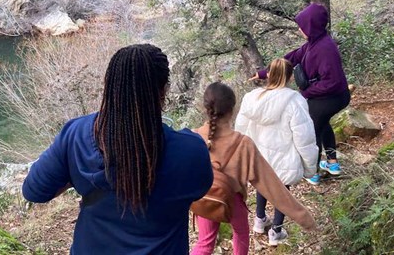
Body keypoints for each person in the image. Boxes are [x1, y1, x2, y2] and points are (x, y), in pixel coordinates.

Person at [22, 44, 214, 254]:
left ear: (109, 86)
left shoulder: (76, 135)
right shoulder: (191, 150)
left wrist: (74, 176)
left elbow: (34, 191)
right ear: (163, 91)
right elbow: (199, 188)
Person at [191, 82, 316, 254]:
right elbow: (272, 186)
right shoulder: (243, 143)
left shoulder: (191, 136)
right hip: (233, 199)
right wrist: (303, 217)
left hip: (203, 196)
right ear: (232, 110)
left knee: (204, 243)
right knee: (241, 233)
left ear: (205, 107)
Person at [250, 2, 350, 185]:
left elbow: (332, 82)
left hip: (333, 97)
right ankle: (332, 163)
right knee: (321, 121)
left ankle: (314, 172)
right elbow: (292, 57)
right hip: (326, 95)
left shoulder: (325, 48)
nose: (299, 29)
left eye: (302, 25)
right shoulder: (314, 43)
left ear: (311, 26)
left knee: (312, 129)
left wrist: (305, 93)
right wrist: (265, 72)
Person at [236, 58, 318, 245]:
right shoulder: (294, 100)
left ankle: (259, 220)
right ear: (290, 77)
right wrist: (310, 166)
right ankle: (276, 231)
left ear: (269, 74)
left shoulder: (252, 99)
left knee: (262, 185)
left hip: (258, 156)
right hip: (284, 157)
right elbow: (303, 137)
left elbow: (241, 128)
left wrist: (242, 155)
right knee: (282, 191)